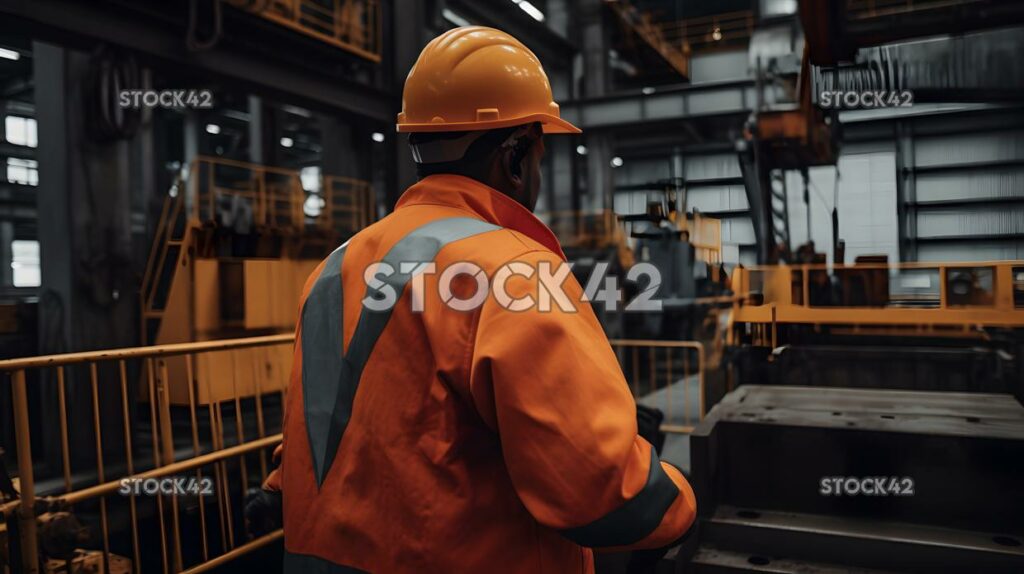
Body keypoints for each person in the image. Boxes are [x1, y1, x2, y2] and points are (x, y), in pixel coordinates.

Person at [268, 26, 696, 573]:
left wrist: (276, 485)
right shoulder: (515, 271)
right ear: (515, 158)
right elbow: (598, 488)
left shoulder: (335, 266)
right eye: (538, 155)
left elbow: (322, 423)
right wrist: (680, 506)